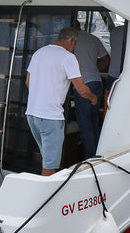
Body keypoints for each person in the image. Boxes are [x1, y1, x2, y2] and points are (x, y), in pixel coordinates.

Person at [26, 27, 98, 176]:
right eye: (75, 44)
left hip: (32, 115)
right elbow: (81, 89)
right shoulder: (68, 57)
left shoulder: (39, 53)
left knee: (46, 158)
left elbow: (28, 82)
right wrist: (93, 97)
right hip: (50, 118)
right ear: (72, 41)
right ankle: (46, 196)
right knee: (50, 165)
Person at [73, 23, 110, 159]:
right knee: (94, 120)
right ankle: (98, 152)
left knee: (84, 122)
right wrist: (95, 70)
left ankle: (89, 157)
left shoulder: (72, 41)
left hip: (82, 84)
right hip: (96, 82)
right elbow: (106, 59)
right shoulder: (93, 38)